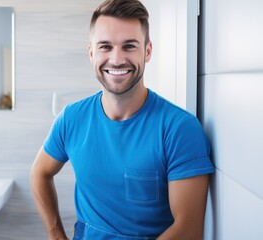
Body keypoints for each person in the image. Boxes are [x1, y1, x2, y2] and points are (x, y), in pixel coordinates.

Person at [30, 0, 215, 239]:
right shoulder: (72, 118)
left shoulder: (180, 129)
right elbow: (39, 173)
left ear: (147, 51)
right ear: (91, 52)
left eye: (129, 46)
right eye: (105, 46)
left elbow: (188, 231)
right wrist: (56, 235)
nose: (117, 59)